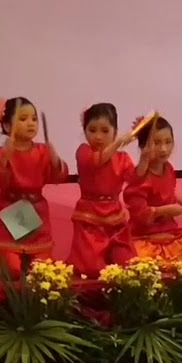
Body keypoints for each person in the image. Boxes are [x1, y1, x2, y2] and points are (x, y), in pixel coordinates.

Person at [0, 96, 69, 278]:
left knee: (43, 270)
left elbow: (59, 177)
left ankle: (28, 256)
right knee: (12, 270)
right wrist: (5, 159)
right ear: (7, 126)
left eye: (34, 118)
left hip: (36, 211)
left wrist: (55, 159)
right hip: (10, 209)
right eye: (23, 119)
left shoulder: (42, 151)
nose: (31, 123)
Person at [67, 103, 137, 276]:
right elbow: (98, 161)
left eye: (105, 131)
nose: (98, 136)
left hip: (116, 219)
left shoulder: (123, 158)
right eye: (92, 130)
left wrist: (147, 152)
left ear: (115, 131)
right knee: (92, 268)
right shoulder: (83, 152)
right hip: (90, 218)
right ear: (85, 131)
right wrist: (118, 142)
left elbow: (137, 180)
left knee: (128, 264)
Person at [123, 116, 182, 260]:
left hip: (169, 232)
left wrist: (180, 200)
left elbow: (165, 192)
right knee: (142, 261)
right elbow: (140, 215)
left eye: (168, 142)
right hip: (145, 235)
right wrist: (165, 210)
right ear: (144, 147)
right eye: (156, 143)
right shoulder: (139, 178)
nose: (164, 149)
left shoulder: (168, 168)